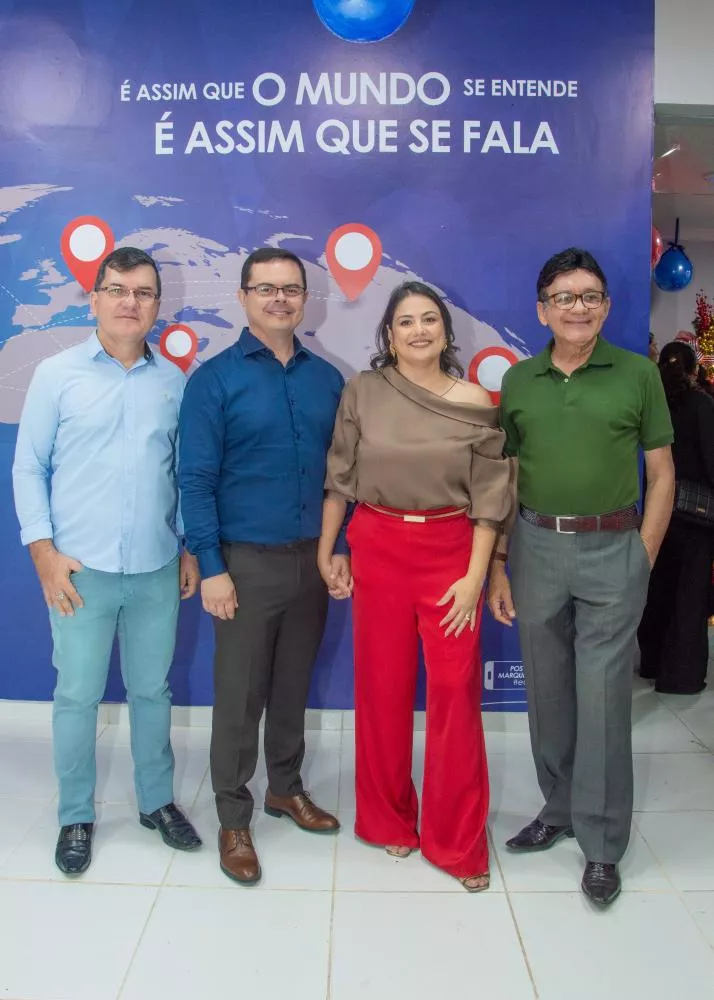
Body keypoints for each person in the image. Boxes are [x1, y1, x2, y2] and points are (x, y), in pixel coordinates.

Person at [488, 248, 674, 906]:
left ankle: (602, 843)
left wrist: (643, 554)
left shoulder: (638, 374)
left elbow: (663, 472)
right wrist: (501, 559)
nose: (578, 307)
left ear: (606, 306)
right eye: (564, 297)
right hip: (536, 547)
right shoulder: (519, 380)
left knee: (602, 700)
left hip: (613, 549)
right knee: (548, 693)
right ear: (543, 310)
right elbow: (509, 475)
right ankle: (559, 807)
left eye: (590, 296)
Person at [12, 246, 202, 876]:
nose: (130, 302)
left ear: (157, 305)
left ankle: (156, 802)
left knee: (153, 690)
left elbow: (181, 474)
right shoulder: (56, 374)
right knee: (76, 695)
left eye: (143, 292)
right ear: (93, 298)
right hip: (78, 572)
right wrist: (43, 552)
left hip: (155, 567)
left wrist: (187, 547)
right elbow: (28, 466)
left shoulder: (173, 382)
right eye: (117, 289)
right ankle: (75, 815)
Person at [319, 281, 511, 891]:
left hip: (452, 554)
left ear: (446, 331)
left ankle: (457, 842)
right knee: (382, 689)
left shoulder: (475, 399)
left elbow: (491, 497)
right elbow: (340, 479)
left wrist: (475, 577)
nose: (419, 330)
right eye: (406, 321)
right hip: (376, 547)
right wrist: (330, 547)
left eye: (430, 319)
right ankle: (388, 819)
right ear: (389, 334)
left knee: (455, 695)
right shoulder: (363, 391)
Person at [178, 247, 345, 886]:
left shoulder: (326, 379)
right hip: (242, 565)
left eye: (291, 288)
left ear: (306, 298)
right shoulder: (213, 380)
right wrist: (212, 566)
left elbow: (340, 477)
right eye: (266, 288)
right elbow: (195, 480)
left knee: (293, 685)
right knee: (240, 697)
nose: (280, 298)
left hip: (310, 561)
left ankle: (285, 788)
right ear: (244, 296)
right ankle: (233, 817)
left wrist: (337, 549)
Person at [638, 341, 714, 693]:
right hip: (695, 517)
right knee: (690, 594)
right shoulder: (701, 405)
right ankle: (680, 676)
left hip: (657, 510)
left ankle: (651, 662)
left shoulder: (653, 405)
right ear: (694, 369)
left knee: (657, 588)